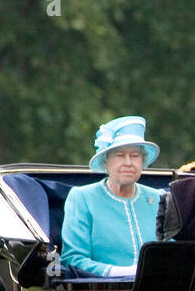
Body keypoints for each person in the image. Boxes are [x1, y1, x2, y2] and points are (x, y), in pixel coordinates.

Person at [61, 117, 163, 278]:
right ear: (105, 161)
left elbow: (173, 253)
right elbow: (73, 260)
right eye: (120, 155)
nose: (128, 162)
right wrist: (123, 273)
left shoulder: (159, 198)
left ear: (142, 161)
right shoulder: (82, 198)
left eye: (135, 155)